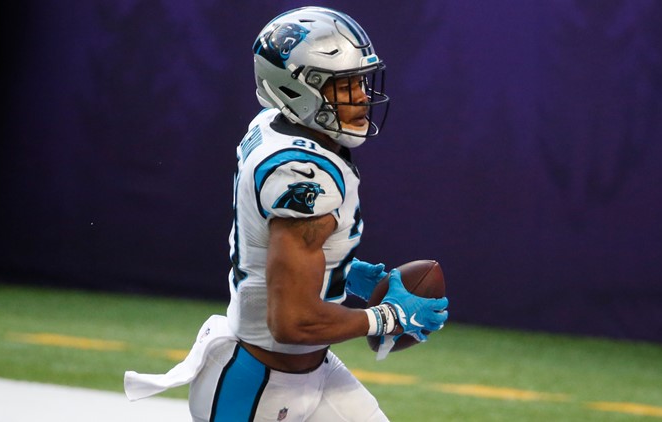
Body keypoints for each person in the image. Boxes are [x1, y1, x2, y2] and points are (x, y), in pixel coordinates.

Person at [124, 6, 449, 421]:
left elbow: (274, 253)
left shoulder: (277, 125)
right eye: (345, 85)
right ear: (298, 89)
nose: (363, 96)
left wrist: (344, 270)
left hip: (303, 371)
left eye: (361, 82)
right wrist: (388, 317)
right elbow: (292, 323)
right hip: (259, 389)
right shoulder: (303, 173)